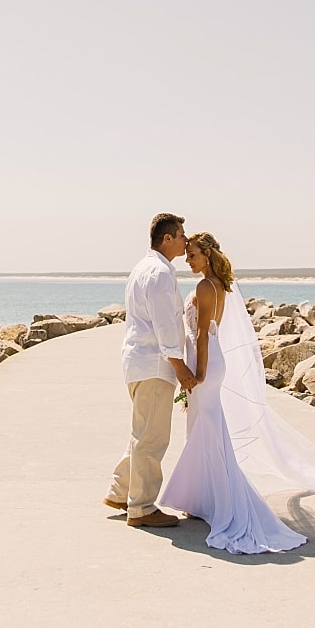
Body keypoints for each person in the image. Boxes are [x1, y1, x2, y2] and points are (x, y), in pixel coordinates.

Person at [161, 232, 315, 554]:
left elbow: (203, 332)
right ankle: (204, 500)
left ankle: (217, 502)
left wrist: (199, 373)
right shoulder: (219, 284)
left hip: (206, 362)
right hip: (211, 360)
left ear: (207, 255)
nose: (187, 260)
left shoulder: (205, 286)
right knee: (205, 430)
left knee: (206, 431)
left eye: (192, 255)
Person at [104, 212, 199, 528]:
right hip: (154, 364)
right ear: (167, 238)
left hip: (138, 362)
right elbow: (164, 324)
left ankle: (121, 492)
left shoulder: (142, 268)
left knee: (141, 433)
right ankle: (142, 507)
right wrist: (180, 367)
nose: (186, 240)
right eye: (181, 235)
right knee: (152, 439)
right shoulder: (159, 273)